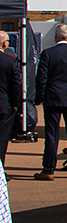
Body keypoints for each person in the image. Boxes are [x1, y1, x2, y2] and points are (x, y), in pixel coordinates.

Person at [33, 24, 67, 181]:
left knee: (52, 135)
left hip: (53, 98)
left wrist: (40, 97)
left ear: (56, 36)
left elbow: (41, 78)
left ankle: (49, 169)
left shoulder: (48, 54)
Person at [0, 33, 20, 168]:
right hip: (4, 106)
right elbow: (16, 84)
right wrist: (15, 104)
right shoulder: (9, 61)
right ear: (5, 44)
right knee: (1, 141)